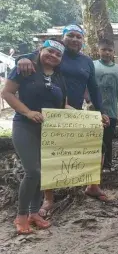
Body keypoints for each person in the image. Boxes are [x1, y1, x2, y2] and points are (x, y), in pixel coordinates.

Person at [16, 24, 109, 215]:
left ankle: (92, 186)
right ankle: (48, 199)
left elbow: (94, 88)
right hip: (50, 114)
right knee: (50, 154)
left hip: (73, 112)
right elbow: (27, 58)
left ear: (83, 40)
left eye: (79, 36)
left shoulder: (86, 62)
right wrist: (22, 59)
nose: (75, 39)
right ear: (63, 37)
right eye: (71, 35)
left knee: (99, 147)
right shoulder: (54, 54)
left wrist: (101, 111)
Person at [1, 39, 68, 234]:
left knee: (43, 172)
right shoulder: (25, 68)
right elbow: (7, 93)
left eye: (58, 54)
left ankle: (33, 213)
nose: (53, 56)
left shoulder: (59, 77)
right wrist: (28, 112)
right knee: (33, 171)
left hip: (48, 131)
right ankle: (21, 216)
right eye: (50, 51)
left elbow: (64, 106)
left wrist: (92, 118)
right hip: (24, 126)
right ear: (40, 50)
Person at [92, 38, 118, 171]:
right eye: (103, 49)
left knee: (108, 140)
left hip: (111, 110)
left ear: (113, 52)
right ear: (98, 50)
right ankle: (92, 166)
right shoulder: (91, 65)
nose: (106, 52)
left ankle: (107, 166)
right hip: (92, 111)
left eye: (109, 50)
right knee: (93, 140)